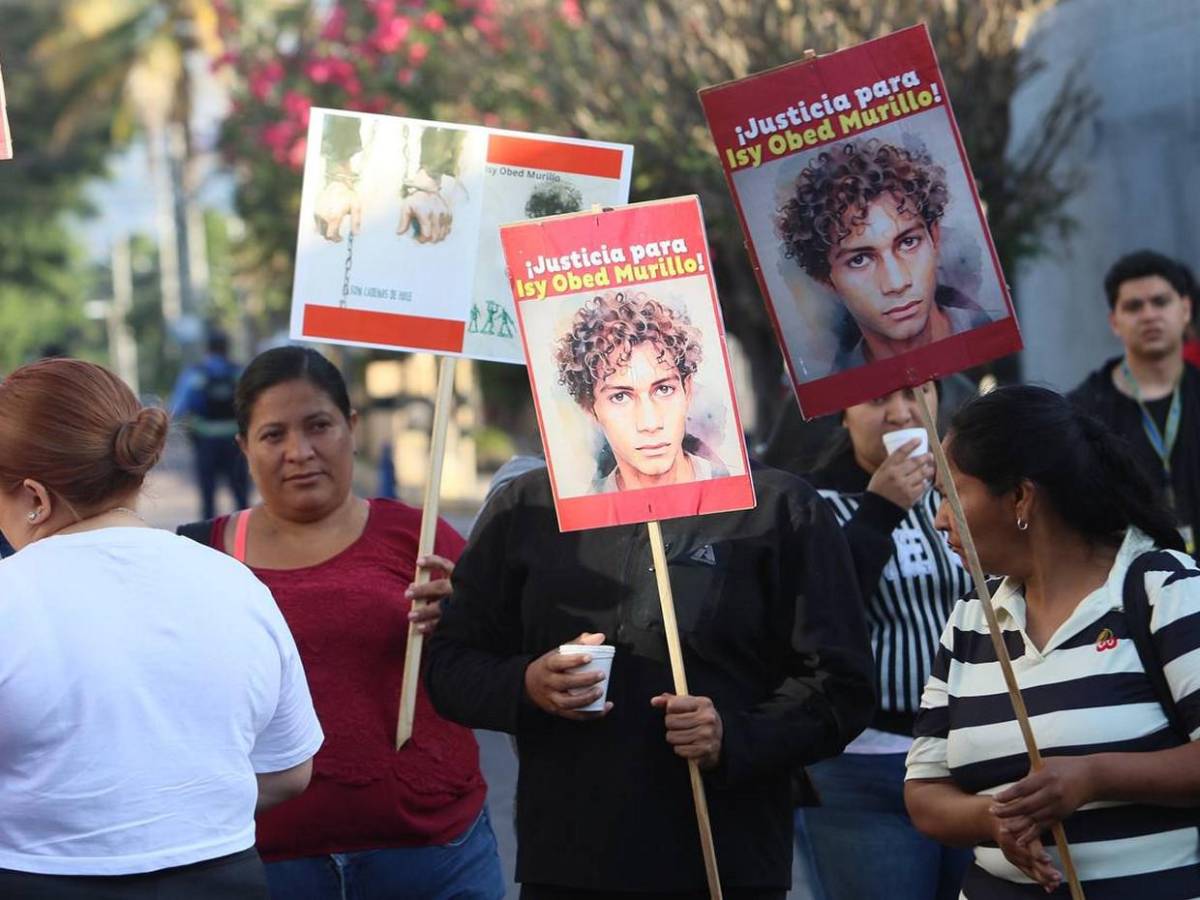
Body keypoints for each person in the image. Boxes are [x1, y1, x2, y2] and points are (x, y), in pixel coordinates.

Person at [424, 462, 876, 898]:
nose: (646, 421)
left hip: (726, 863)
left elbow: (842, 686)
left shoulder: (780, 504)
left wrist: (734, 737)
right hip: (570, 862)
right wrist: (527, 684)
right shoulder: (531, 504)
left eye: (662, 400)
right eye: (622, 405)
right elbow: (450, 665)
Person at [178, 346, 505, 900]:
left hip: (435, 855)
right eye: (273, 435)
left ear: (351, 427)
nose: (300, 452)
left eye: (318, 426)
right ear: (243, 448)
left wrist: (465, 617)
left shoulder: (421, 538)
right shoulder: (201, 557)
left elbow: (497, 664)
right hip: (268, 865)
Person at [0, 358, 322, 897]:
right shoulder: (237, 584)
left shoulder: (9, 596)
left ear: (35, 497)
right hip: (224, 878)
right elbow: (290, 770)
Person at [905, 385, 1200, 897]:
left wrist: (1094, 777)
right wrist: (995, 817)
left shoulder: (1164, 589)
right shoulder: (972, 619)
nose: (939, 519)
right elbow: (924, 791)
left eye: (951, 495)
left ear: (1021, 497)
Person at [795, 385, 973, 900]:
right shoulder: (814, 503)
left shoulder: (968, 492)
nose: (900, 413)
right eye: (875, 400)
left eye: (915, 392)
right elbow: (818, 612)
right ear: (844, 414)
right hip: (864, 765)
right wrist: (879, 510)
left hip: (974, 751)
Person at [776, 138, 992, 372]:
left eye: (908, 242)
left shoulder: (991, 335)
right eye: (859, 260)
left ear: (934, 237)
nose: (896, 283)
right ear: (826, 279)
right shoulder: (840, 381)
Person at [1070, 249, 1198, 555]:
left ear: (1185, 310)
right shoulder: (1082, 413)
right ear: (1114, 321)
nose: (1149, 315)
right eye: (1134, 306)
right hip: (1132, 574)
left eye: (1160, 302)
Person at [556, 290, 729, 492]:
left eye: (664, 389)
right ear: (590, 408)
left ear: (687, 390)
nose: (650, 423)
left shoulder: (740, 490)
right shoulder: (586, 507)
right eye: (620, 397)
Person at [171, 329, 251, 519]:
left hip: (205, 441)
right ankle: (246, 534)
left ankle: (208, 534)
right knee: (241, 497)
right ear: (227, 348)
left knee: (208, 498)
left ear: (207, 349)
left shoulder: (195, 374)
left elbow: (178, 408)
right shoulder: (239, 372)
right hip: (236, 442)